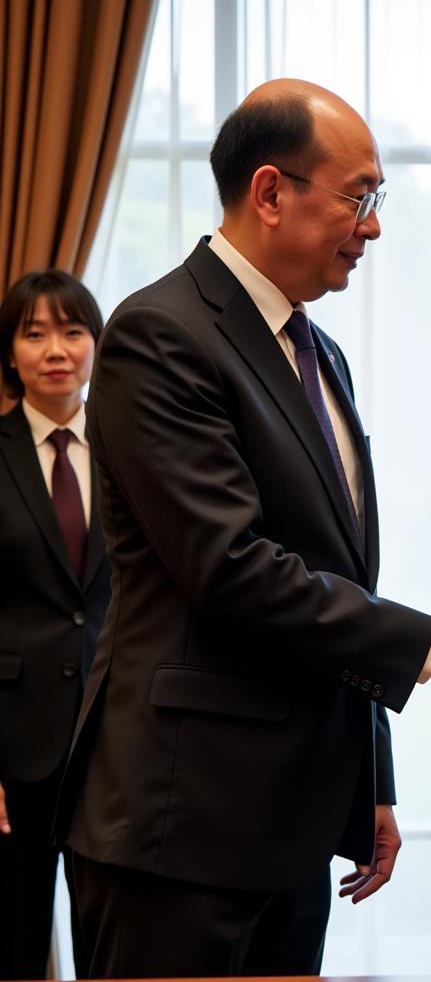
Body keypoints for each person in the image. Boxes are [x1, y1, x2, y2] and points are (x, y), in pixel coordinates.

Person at [58, 79, 431, 978]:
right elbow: (232, 569)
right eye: (361, 198)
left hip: (293, 827)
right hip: (179, 828)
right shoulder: (160, 334)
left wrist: (371, 786)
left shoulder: (323, 355)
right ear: (271, 192)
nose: (375, 226)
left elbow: (339, 580)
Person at [0, 270, 110, 980]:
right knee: (11, 941)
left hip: (116, 733)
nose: (55, 350)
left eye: (72, 331)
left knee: (115, 944)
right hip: (13, 741)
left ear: (97, 345)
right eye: (33, 333)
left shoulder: (134, 446)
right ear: (10, 353)